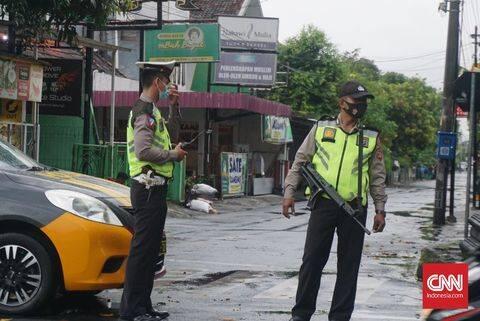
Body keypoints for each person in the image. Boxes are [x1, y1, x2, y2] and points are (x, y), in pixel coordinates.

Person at [282, 81, 388, 321]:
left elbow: (378, 177)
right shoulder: (321, 128)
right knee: (311, 261)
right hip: (323, 204)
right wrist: (289, 192)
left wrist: (380, 209)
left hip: (355, 208)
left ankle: (340, 317)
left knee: (349, 267)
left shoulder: (370, 137)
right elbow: (299, 162)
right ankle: (301, 314)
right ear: (342, 103)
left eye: (364, 102)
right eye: (355, 102)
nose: (360, 106)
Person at [119, 61, 187, 321]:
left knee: (149, 252)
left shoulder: (154, 111)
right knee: (141, 252)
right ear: (157, 81)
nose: (169, 84)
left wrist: (174, 105)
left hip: (155, 190)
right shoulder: (143, 111)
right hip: (147, 189)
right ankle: (131, 311)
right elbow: (143, 151)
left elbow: (170, 132)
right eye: (166, 79)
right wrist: (173, 155)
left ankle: (143, 307)